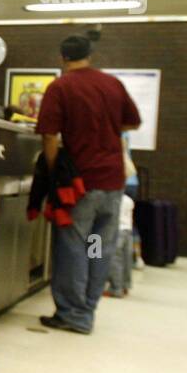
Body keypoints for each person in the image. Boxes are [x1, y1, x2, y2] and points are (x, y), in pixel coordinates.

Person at [35, 34, 141, 333]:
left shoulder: (62, 86)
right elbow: (132, 122)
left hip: (81, 183)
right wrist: (107, 126)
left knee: (73, 246)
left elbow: (49, 135)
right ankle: (87, 309)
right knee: (97, 247)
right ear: (90, 56)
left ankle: (73, 314)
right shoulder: (112, 84)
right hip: (113, 182)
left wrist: (55, 170)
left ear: (63, 58)